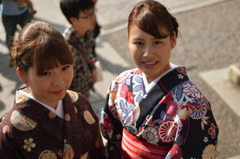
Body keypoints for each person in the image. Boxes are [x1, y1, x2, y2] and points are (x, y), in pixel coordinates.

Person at [100, 0, 219, 159]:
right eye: (139, 43)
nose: (148, 53)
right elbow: (110, 134)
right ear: (128, 41)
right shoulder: (120, 83)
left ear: (173, 40)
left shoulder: (193, 103)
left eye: (157, 42)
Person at [0, 20, 105, 159]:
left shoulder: (79, 102)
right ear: (22, 75)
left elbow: (97, 150)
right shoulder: (10, 130)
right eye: (45, 73)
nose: (59, 82)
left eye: (65, 67)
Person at [60, 0, 98, 99]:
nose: (93, 18)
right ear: (73, 19)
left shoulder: (89, 29)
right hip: (74, 96)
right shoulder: (67, 47)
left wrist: (92, 69)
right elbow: (63, 79)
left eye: (93, 13)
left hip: (86, 86)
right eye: (87, 16)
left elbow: (88, 53)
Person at [1, 0, 36, 66]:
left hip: (24, 12)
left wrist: (30, 8)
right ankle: (13, 57)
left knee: (30, 35)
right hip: (8, 15)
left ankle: (30, 56)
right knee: (10, 37)